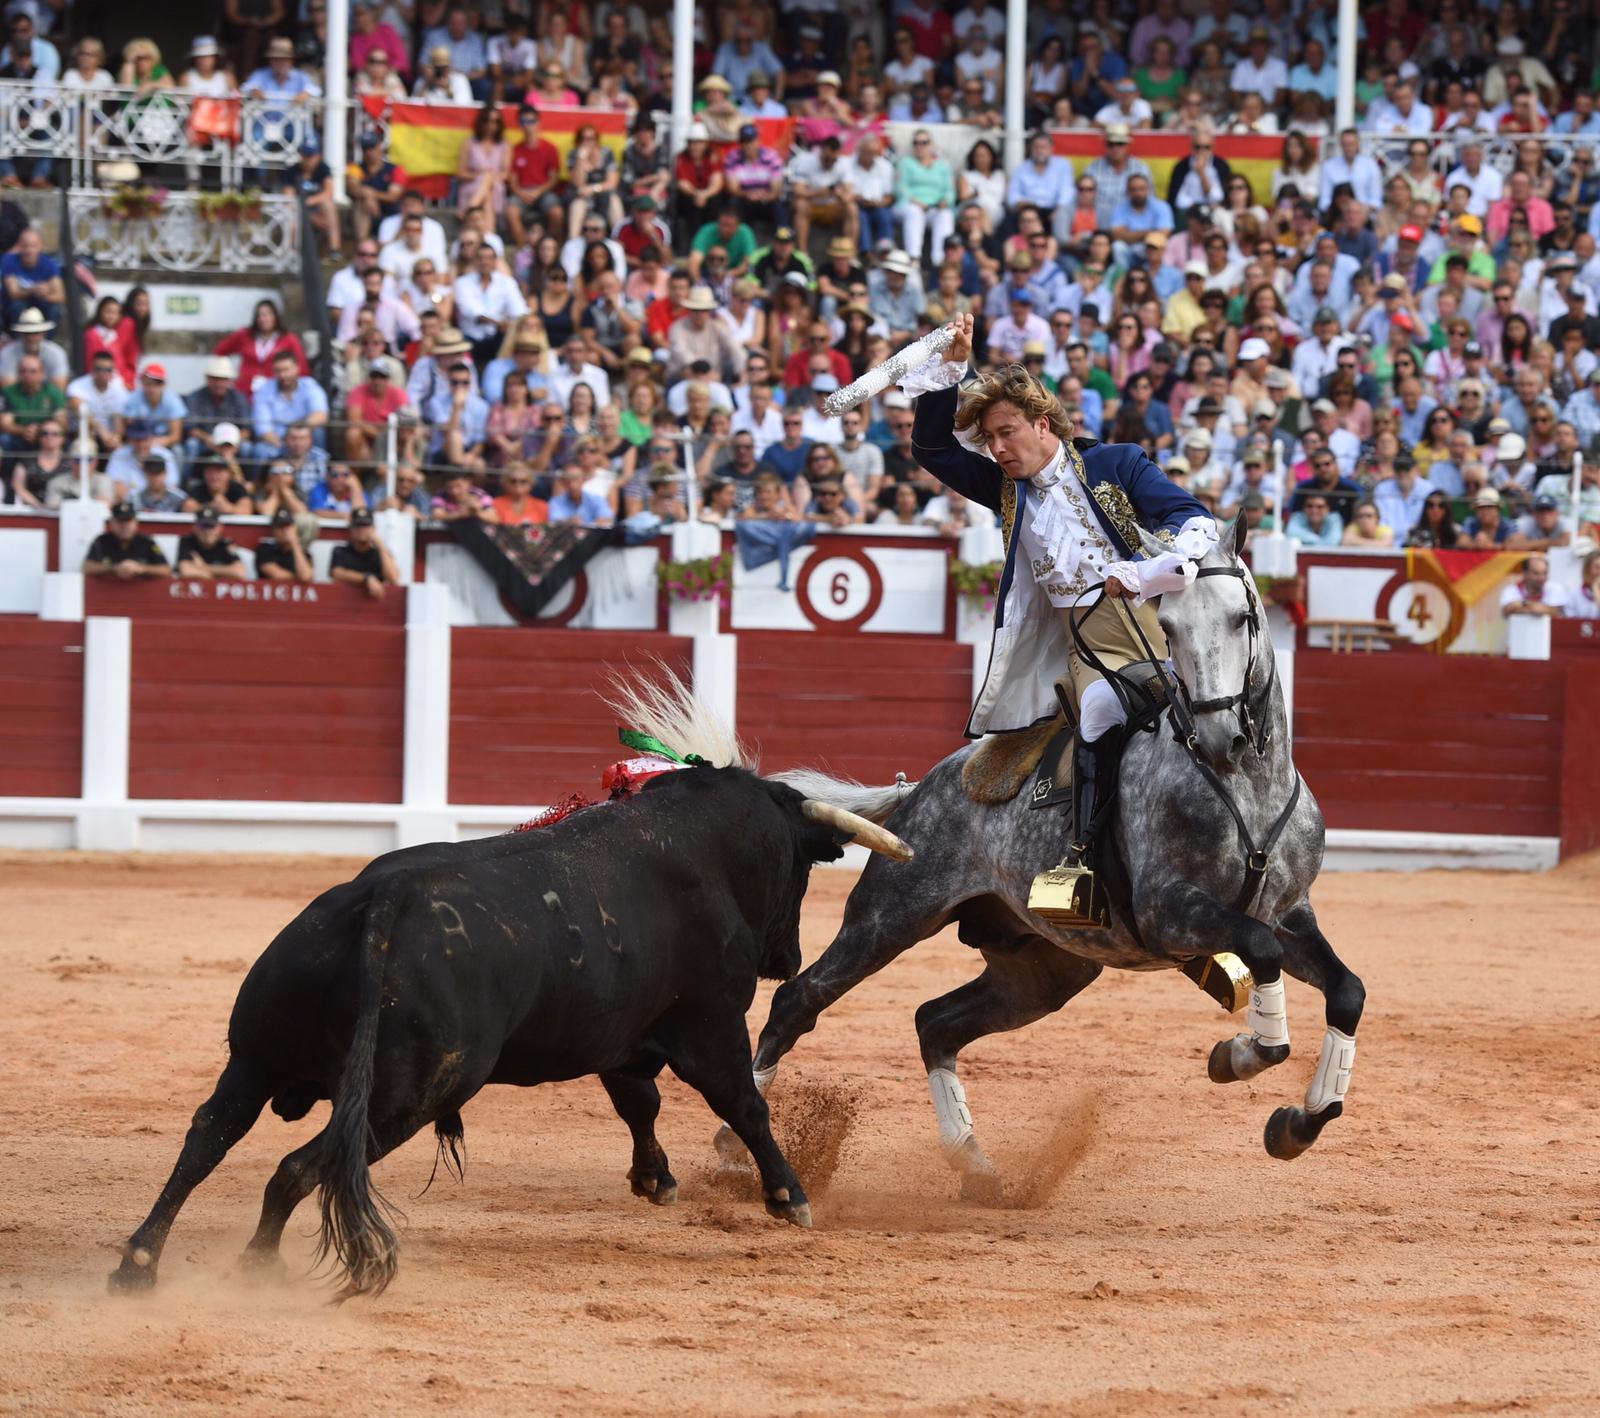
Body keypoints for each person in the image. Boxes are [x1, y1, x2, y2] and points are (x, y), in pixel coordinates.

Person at [902, 312, 1215, 922]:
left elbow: (1189, 516)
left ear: (1043, 423)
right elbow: (933, 447)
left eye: (1006, 432)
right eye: (989, 438)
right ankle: (1083, 863)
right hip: (1086, 644)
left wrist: (1146, 572)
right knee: (1099, 709)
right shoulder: (1006, 488)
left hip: (1159, 629)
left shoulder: (1116, 464)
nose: (996, 448)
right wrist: (952, 367)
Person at [84, 502, 170, 580]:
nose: (124, 526)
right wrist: (114, 568)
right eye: (120, 521)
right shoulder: (102, 541)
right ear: (112, 523)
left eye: (128, 521)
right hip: (107, 593)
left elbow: (166, 570)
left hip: (142, 594)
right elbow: (87, 567)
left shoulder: (147, 542)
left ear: (136, 523)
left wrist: (140, 569)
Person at [329, 508, 400, 599]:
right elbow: (337, 573)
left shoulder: (380, 554)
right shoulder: (341, 551)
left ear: (373, 529)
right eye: (358, 525)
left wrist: (381, 545)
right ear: (351, 529)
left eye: (365, 525)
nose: (361, 530)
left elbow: (393, 578)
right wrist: (367, 579)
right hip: (344, 604)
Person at [175, 507, 246, 581]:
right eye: (203, 526)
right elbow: (186, 570)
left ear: (219, 528)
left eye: (211, 526)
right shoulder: (187, 541)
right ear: (194, 527)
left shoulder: (225, 544)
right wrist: (217, 576)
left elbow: (239, 572)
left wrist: (203, 567)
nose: (207, 531)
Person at [1500, 554, 1570, 618]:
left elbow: (1555, 612)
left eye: (1545, 573)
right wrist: (1540, 608)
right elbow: (1507, 611)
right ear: (1525, 573)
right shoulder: (1510, 590)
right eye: (1536, 573)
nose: (1542, 578)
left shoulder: (1556, 588)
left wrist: (1523, 604)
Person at [255, 507, 314, 583]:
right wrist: (297, 579)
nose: (285, 531)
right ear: (274, 531)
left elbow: (306, 576)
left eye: (288, 526)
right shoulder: (265, 549)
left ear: (295, 529)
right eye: (280, 527)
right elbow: (277, 575)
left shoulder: (304, 554)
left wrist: (295, 544)